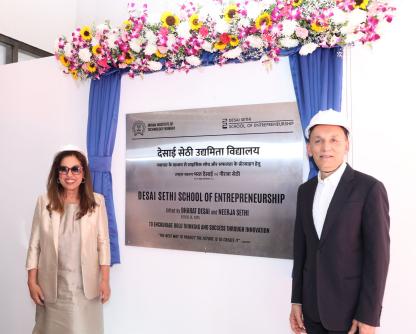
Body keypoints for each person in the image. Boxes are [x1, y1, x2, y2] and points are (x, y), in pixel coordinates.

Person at [289, 110, 390, 334]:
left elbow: (378, 259)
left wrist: (368, 316)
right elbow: (301, 250)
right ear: (309, 148)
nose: (326, 148)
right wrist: (296, 300)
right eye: (318, 141)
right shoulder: (305, 192)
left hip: (351, 316)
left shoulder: (369, 189)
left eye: (334, 140)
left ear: (346, 145)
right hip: (312, 313)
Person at [26, 145, 111, 334]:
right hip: (51, 287)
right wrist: (31, 282)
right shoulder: (44, 201)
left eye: (75, 169)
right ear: (57, 174)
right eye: (63, 169)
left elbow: (103, 243)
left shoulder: (97, 202)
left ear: (83, 175)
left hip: (85, 288)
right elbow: (34, 245)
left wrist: (105, 280)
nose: (69, 174)